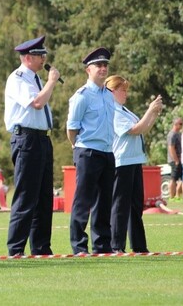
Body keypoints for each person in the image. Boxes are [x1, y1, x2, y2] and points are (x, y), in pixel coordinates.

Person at [4, 36, 59, 256]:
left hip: (42, 139)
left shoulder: (36, 79)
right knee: (26, 195)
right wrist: (52, 81)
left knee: (44, 197)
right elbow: (36, 103)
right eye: (39, 55)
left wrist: (47, 82)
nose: (43, 59)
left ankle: (41, 247)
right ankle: (16, 248)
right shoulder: (18, 78)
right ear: (27, 58)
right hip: (26, 139)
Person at [105, 75, 162, 254]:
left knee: (136, 205)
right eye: (123, 90)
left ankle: (139, 245)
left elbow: (143, 128)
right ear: (112, 91)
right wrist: (150, 111)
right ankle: (116, 245)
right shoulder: (112, 110)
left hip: (134, 160)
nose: (126, 94)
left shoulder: (124, 110)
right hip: (121, 162)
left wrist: (153, 114)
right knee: (120, 206)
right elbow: (135, 129)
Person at [66, 47, 115, 255]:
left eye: (105, 65)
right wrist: (77, 148)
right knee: (83, 201)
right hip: (88, 152)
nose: (103, 69)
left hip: (107, 152)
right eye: (98, 66)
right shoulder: (82, 96)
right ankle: (79, 246)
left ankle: (102, 245)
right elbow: (71, 128)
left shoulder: (109, 95)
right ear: (88, 69)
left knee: (104, 203)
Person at [167, 118, 183, 201]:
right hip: (174, 160)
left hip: (180, 159)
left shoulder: (178, 134)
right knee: (173, 178)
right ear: (175, 124)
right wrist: (176, 160)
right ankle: (171, 197)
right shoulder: (172, 134)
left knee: (180, 178)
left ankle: (177, 196)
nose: (181, 126)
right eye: (180, 124)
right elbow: (171, 148)